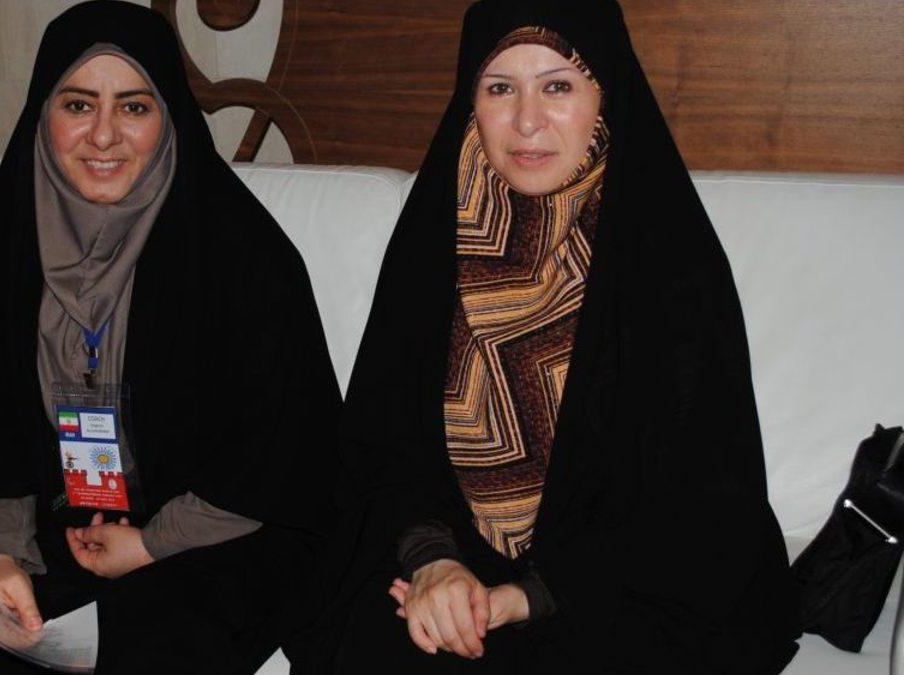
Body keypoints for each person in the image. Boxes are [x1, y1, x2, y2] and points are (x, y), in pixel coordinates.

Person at [288, 1, 801, 672]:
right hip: (454, 560)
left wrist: (525, 597)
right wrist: (433, 561)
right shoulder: (432, 241)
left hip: (626, 578)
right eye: (500, 88)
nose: (527, 121)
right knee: (377, 638)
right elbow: (385, 449)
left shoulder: (672, 261)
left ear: (604, 94)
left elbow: (697, 499)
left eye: (557, 85)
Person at [0, 3, 341, 673]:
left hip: (214, 532)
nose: (103, 135)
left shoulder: (244, 255)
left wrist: (151, 542)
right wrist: (0, 553)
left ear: (169, 117)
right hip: (63, 519)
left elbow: (285, 447)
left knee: (150, 654)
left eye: (133, 107)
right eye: (78, 105)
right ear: (43, 116)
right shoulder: (9, 247)